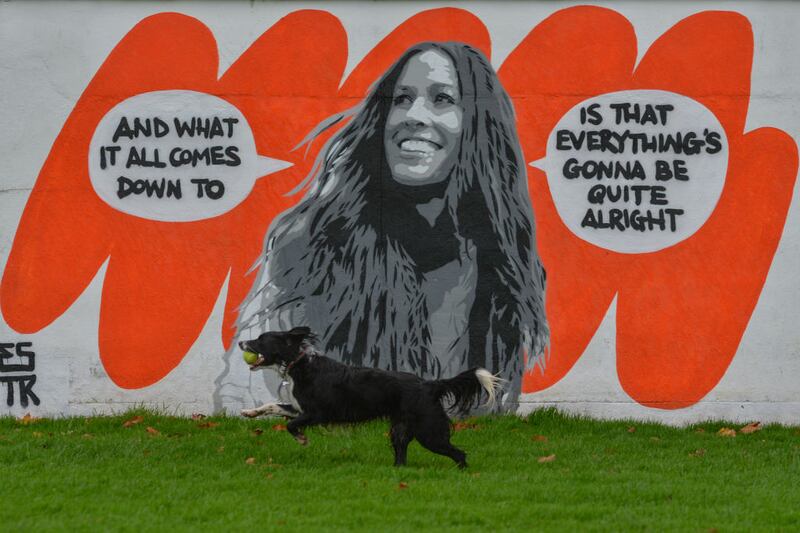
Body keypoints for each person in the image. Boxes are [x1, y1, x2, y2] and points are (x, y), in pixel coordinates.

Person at [215, 41, 548, 412]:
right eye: (401, 98)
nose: (414, 115)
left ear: (476, 124)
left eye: (442, 100)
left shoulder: (500, 261)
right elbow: (244, 391)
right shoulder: (309, 243)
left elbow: (494, 403)